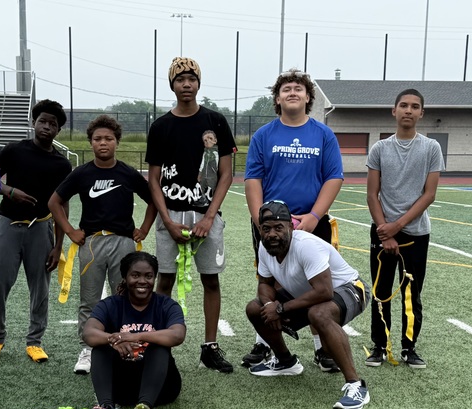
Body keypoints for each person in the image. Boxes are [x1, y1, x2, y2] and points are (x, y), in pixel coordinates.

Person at [242, 68, 344, 372]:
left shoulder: (323, 134)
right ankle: (267, 343)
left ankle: (322, 347)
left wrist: (313, 217)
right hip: (272, 226)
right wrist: (262, 222)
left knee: (314, 282)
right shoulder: (264, 135)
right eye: (286, 89)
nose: (292, 92)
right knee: (269, 281)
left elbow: (334, 178)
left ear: (308, 97)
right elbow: (253, 180)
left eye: (299, 88)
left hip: (310, 222)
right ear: (277, 98)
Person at [145, 57, 236, 373]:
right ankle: (160, 346)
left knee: (210, 280)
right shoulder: (161, 126)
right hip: (171, 213)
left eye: (192, 78)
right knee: (165, 279)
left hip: (205, 213)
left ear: (199, 83)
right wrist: (167, 221)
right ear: (172, 83)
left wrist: (210, 217)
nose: (187, 84)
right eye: (180, 79)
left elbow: (226, 173)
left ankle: (210, 347)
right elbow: (153, 179)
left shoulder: (215, 121)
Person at [48, 115, 159, 375]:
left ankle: (125, 344)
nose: (103, 143)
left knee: (124, 297)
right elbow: (54, 202)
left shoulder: (127, 173)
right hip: (92, 243)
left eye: (108, 138)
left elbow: (153, 199)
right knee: (89, 300)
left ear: (117, 142)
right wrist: (70, 230)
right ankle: (87, 349)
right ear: (91, 142)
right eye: (97, 139)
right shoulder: (83, 173)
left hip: (123, 244)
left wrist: (144, 228)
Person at [245, 202, 371, 409]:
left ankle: (356, 385)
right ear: (260, 230)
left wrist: (281, 309)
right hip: (307, 293)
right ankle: (286, 362)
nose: (272, 234)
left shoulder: (306, 245)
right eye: (266, 229)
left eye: (278, 228)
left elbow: (324, 291)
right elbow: (265, 284)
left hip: (351, 288)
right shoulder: (264, 246)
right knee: (254, 308)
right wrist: (269, 305)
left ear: (291, 228)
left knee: (319, 314)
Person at [0, 99, 73, 364]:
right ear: (33, 122)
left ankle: (34, 342)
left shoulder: (61, 165)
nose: (46, 127)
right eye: (43, 121)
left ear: (58, 131)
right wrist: (9, 191)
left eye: (53, 124)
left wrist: (58, 245)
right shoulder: (14, 151)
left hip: (41, 229)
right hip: (8, 225)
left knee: (40, 288)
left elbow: (62, 206)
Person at [365, 88, 444, 370]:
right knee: (381, 291)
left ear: (422, 113)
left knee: (411, 292)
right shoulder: (380, 149)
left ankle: (409, 348)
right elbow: (372, 194)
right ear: (394, 111)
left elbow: (429, 194)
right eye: (403, 105)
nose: (408, 110)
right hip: (383, 231)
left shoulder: (431, 148)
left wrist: (397, 226)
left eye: (414, 106)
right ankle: (379, 346)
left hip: (415, 233)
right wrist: (383, 230)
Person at [85, 251, 186, 409]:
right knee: (100, 348)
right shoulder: (110, 304)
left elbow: (178, 335)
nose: (142, 281)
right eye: (135, 275)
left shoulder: (166, 305)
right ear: (125, 277)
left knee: (159, 346)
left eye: (148, 276)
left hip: (162, 387)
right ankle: (107, 408)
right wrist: (113, 340)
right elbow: (89, 333)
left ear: (155, 278)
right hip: (120, 388)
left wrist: (135, 336)